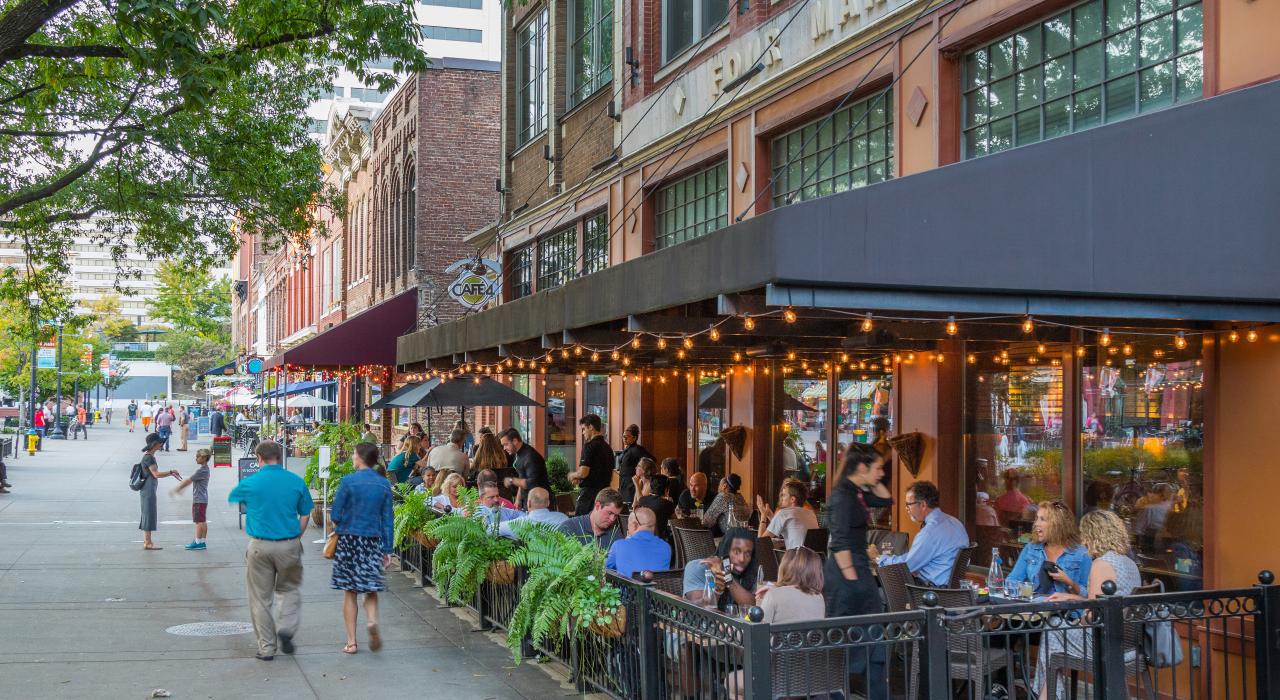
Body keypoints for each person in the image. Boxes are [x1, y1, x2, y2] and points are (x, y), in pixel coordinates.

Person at [1033, 510, 1142, 700]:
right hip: (1127, 642)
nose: (1082, 540)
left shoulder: (1101, 563)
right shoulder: (1129, 562)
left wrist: (1077, 621)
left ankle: (1048, 696)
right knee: (1057, 629)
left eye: (1084, 534)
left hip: (1103, 643)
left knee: (1052, 627)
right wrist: (1073, 598)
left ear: (1092, 535)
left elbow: (1092, 616)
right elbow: (1108, 601)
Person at [227, 441, 314, 661]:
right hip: (289, 544)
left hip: (259, 545)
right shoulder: (295, 481)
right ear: (279, 456)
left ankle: (266, 648)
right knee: (289, 590)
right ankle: (286, 628)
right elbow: (305, 514)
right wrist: (297, 537)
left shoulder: (251, 482)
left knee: (260, 598)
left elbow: (234, 497)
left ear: (259, 458)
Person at [825, 443, 894, 700]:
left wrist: (870, 478)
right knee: (842, 636)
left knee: (872, 634)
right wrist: (852, 579)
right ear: (862, 467)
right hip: (846, 573)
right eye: (877, 469)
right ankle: (835, 692)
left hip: (857, 570)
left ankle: (876, 693)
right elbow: (839, 540)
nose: (881, 474)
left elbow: (887, 499)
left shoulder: (857, 492)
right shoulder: (843, 495)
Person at [727, 547, 826, 697]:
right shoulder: (819, 598)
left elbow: (754, 636)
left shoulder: (774, 596)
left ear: (784, 567)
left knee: (731, 681)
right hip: (809, 678)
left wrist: (729, 629)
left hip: (777, 677)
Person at [329, 442, 393, 655]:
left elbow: (336, 514)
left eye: (354, 454)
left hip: (349, 540)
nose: (352, 457)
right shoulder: (384, 484)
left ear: (360, 457)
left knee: (350, 591)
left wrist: (342, 522)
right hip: (372, 541)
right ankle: (372, 621)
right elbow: (387, 520)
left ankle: (351, 642)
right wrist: (387, 549)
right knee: (371, 588)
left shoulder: (348, 482)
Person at [873, 480, 968, 587]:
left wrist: (878, 558)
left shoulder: (929, 532)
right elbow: (913, 558)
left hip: (930, 592)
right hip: (955, 590)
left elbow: (905, 567)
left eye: (908, 504)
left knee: (878, 590)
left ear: (923, 505)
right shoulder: (956, 522)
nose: (906, 509)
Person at [1007, 500, 1092, 596]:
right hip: (1035, 608)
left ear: (1058, 524)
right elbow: (1011, 581)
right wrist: (1028, 591)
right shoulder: (1031, 549)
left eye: (1042, 519)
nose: (1036, 524)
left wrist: (1068, 582)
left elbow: (1088, 595)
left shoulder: (1081, 554)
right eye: (1037, 518)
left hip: (1067, 610)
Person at [682, 527, 759, 611]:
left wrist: (727, 575)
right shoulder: (698, 567)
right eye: (736, 552)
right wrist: (717, 590)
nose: (742, 559)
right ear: (725, 550)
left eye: (747, 554)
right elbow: (699, 611)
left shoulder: (750, 572)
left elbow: (753, 606)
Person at [139, 432, 180, 550]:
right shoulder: (149, 458)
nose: (161, 444)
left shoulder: (149, 456)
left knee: (148, 513)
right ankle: (148, 542)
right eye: (160, 443)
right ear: (154, 444)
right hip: (148, 489)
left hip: (148, 489)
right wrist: (171, 472)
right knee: (149, 514)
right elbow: (156, 474)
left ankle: (147, 541)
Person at [606, 507, 672, 578]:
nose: (627, 528)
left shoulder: (619, 545)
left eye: (628, 524)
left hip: (628, 588)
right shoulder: (666, 547)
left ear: (635, 525)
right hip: (658, 588)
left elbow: (607, 568)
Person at [756, 478, 820, 550]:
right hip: (814, 559)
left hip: (795, 559)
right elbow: (789, 530)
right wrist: (770, 516)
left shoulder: (784, 513)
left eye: (784, 495)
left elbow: (760, 543)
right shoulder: (810, 513)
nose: (781, 497)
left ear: (792, 499)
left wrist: (763, 516)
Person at [570, 414, 614, 516]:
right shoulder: (608, 448)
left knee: (581, 524)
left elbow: (583, 473)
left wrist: (573, 475)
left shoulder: (589, 446)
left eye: (584, 429)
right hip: (604, 495)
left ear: (591, 427)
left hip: (589, 495)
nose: (583, 432)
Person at [171, 448, 212, 550]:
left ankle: (198, 542)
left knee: (199, 521)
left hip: (199, 499)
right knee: (203, 520)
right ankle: (202, 541)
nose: (196, 459)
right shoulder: (206, 469)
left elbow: (188, 481)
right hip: (203, 498)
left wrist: (177, 489)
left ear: (204, 458)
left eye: (197, 457)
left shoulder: (201, 470)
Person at [558, 488, 624, 550]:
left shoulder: (616, 535)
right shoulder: (569, 528)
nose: (612, 519)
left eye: (615, 516)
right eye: (610, 513)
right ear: (597, 506)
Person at [500, 428, 549, 509]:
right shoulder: (520, 454)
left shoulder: (530, 457)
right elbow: (522, 478)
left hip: (540, 504)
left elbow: (531, 483)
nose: (504, 448)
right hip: (529, 502)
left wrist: (512, 480)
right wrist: (518, 499)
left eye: (506, 444)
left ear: (515, 441)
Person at [499, 487, 569, 539]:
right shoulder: (563, 518)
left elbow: (491, 529)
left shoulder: (519, 523)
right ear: (548, 503)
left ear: (528, 503)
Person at [472, 432, 516, 501]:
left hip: (484, 493)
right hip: (503, 492)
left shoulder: (479, 455)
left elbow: (472, 469)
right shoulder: (502, 455)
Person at [616, 424, 654, 504]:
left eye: (627, 436)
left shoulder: (637, 450)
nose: (624, 438)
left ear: (634, 438)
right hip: (623, 482)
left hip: (631, 483)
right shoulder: (627, 449)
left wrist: (641, 475)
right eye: (623, 436)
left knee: (630, 504)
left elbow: (652, 460)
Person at [635, 473, 676, 541]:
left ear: (651, 487)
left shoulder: (642, 500)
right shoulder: (667, 503)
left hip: (640, 539)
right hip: (658, 540)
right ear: (666, 490)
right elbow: (675, 522)